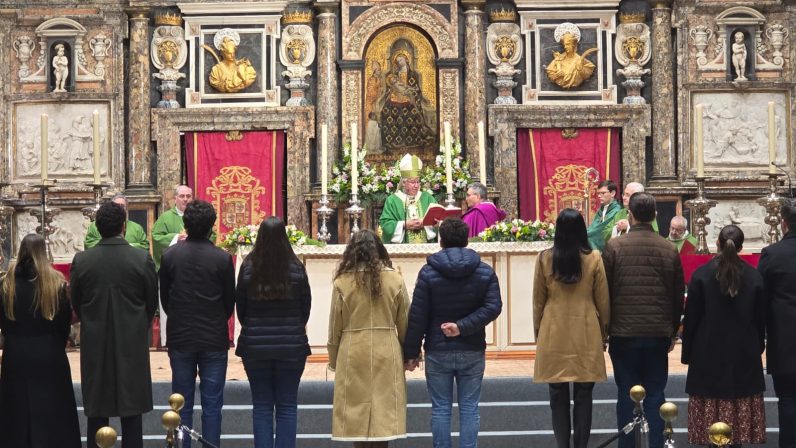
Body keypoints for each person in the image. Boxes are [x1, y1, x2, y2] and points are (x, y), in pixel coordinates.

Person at [403, 218, 502, 448]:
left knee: (440, 409)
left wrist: (411, 352)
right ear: (467, 240)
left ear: (441, 240)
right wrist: (463, 327)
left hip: (438, 350)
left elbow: (418, 315)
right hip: (472, 348)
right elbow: (493, 307)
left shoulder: (428, 272)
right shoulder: (484, 271)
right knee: (469, 408)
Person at [70, 201, 158, 448]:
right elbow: (151, 301)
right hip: (132, 340)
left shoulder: (82, 260)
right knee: (132, 413)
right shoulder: (141, 258)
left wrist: (92, 319)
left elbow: (76, 302)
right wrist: (137, 324)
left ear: (98, 227)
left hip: (95, 338)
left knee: (97, 410)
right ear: (124, 226)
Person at [601, 192, 684, 448]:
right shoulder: (668, 248)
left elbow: (605, 292)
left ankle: (627, 445)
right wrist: (673, 330)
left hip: (623, 332)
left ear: (630, 215)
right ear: (655, 215)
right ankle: (657, 444)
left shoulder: (614, 247)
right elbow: (676, 295)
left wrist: (606, 329)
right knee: (656, 393)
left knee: (627, 393)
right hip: (657, 331)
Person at [159, 200, 235, 448]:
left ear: (185, 224)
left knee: (181, 403)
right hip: (213, 336)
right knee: (212, 404)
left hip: (181, 334)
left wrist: (179, 316)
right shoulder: (222, 258)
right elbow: (229, 301)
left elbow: (165, 299)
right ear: (212, 226)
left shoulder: (170, 256)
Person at [682, 225, 766, 446]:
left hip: (707, 352)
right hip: (743, 352)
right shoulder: (754, 276)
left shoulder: (701, 275)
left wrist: (687, 353)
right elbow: (760, 320)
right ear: (741, 247)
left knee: (712, 415)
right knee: (737, 417)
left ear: (717, 243)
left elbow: (691, 320)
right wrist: (758, 346)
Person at [533, 208, 610, 448]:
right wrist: (604, 332)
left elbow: (538, 301)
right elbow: (603, 300)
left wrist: (538, 332)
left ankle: (562, 445)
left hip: (553, 329)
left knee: (557, 393)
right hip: (585, 329)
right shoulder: (593, 257)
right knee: (584, 393)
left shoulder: (544, 258)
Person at [328, 229, 410, 447]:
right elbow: (404, 320)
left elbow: (335, 325)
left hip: (353, 350)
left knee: (356, 417)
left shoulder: (342, 281)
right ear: (379, 250)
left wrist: (334, 358)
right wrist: (409, 353)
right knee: (384, 415)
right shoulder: (394, 279)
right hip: (386, 349)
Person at [236, 216, 312, 448]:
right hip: (291, 346)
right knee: (287, 406)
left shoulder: (248, 267)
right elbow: (305, 308)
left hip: (255, 346)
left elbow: (241, 309)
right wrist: (294, 328)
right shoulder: (296, 268)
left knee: (261, 406)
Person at [0, 234, 81, 448]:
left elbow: (4, 323)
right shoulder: (56, 284)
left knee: (16, 411)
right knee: (53, 411)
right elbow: (63, 323)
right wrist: (56, 343)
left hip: (16, 353)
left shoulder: (6, 284)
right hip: (49, 352)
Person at [758, 199, 796, 448]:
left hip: (784, 337)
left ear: (783, 223)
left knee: (788, 399)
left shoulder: (772, 254)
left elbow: (760, 295)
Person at [377, 50, 436, 151]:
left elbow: (416, 90)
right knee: (386, 110)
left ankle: (412, 141)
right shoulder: (395, 74)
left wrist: (408, 92)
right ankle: (392, 141)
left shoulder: (411, 75)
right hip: (396, 97)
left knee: (411, 113)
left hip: (408, 98)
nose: (399, 62)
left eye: (401, 60)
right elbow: (390, 86)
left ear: (406, 60)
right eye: (398, 61)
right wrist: (392, 90)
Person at [379, 154, 437, 244]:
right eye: (412, 182)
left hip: (427, 248)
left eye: (418, 182)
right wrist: (403, 225)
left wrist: (425, 222)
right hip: (402, 250)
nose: (416, 186)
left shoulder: (427, 198)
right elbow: (385, 224)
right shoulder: (392, 200)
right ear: (403, 183)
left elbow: (438, 219)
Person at [84, 193, 149, 251]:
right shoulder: (95, 225)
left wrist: (128, 246)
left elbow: (145, 246)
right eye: (117, 206)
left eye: (122, 206)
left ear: (127, 208)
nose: (120, 208)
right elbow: (89, 243)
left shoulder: (137, 228)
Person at [545, 25, 598, 90]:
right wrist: (556, 75)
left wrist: (580, 69)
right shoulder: (558, 60)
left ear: (573, 45)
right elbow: (551, 75)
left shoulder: (580, 60)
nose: (565, 47)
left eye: (568, 44)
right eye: (564, 45)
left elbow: (586, 75)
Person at [207, 29, 256, 93]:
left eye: (233, 53)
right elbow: (217, 84)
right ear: (223, 53)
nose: (232, 55)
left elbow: (250, 79)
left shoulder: (243, 65)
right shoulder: (216, 70)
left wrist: (242, 76)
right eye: (229, 53)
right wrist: (223, 82)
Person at [586, 180, 621, 251]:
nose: (599, 196)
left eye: (603, 193)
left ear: (613, 193)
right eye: (598, 193)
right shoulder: (602, 209)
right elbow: (593, 226)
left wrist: (582, 234)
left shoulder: (616, 210)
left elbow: (600, 229)